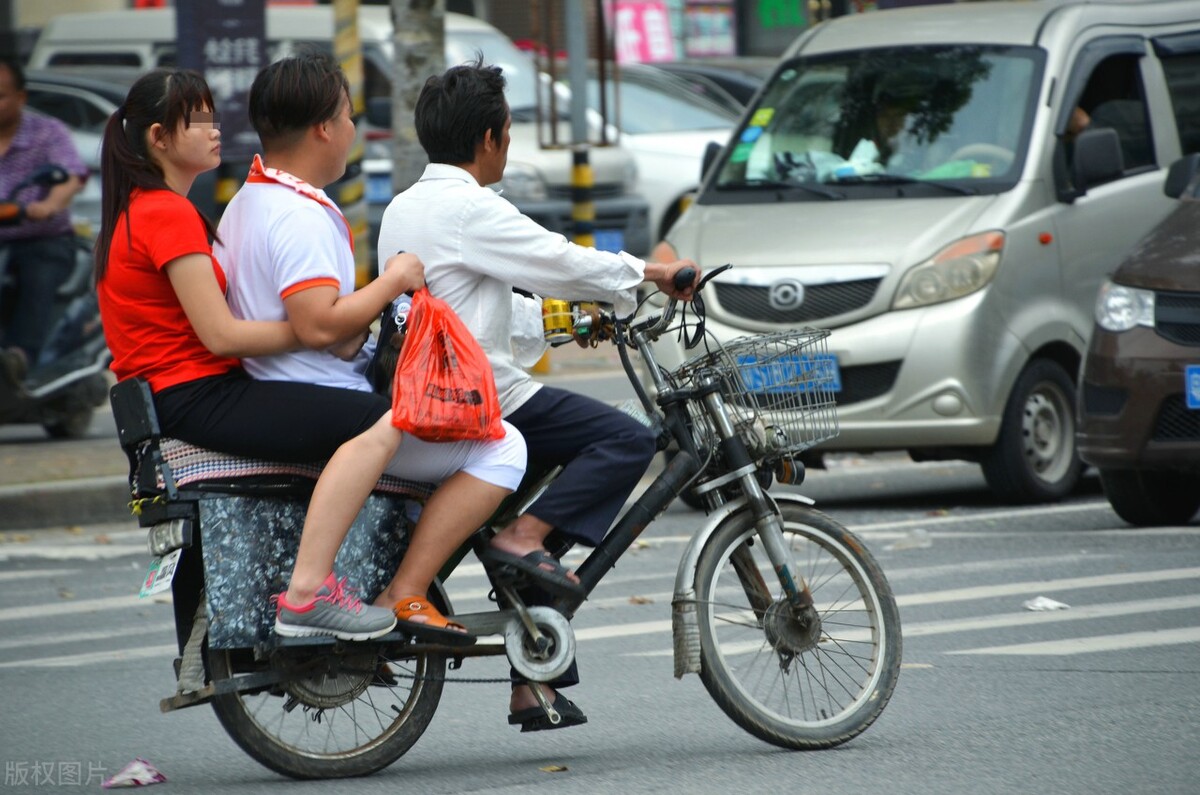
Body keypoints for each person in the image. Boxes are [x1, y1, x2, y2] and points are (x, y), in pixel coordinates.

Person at [95, 68, 523, 645]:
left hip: (182, 393)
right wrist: (330, 321)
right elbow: (224, 336)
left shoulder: (206, 205)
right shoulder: (168, 214)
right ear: (158, 138)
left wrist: (331, 325)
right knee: (389, 421)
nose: (216, 130)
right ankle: (309, 592)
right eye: (198, 121)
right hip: (197, 393)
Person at [377, 58, 699, 730]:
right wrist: (649, 272)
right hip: (478, 397)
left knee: (537, 519)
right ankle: (524, 537)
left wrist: (571, 320)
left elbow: (477, 303)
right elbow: (558, 260)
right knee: (624, 438)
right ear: (489, 138)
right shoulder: (472, 207)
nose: (510, 142)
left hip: (434, 391)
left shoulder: (406, 204)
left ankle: (534, 683)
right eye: (509, 131)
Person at [216, 52, 526, 639]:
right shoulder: (301, 213)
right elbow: (317, 326)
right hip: (321, 399)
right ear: (324, 129)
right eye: (350, 117)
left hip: (283, 386)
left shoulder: (245, 203)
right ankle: (393, 591)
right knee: (502, 445)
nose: (353, 131)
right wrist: (395, 280)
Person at [0, 55, 87, 380]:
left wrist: (50, 204)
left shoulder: (47, 133)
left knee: (37, 271)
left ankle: (20, 358)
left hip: (41, 239)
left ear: (21, 97)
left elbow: (69, 175)